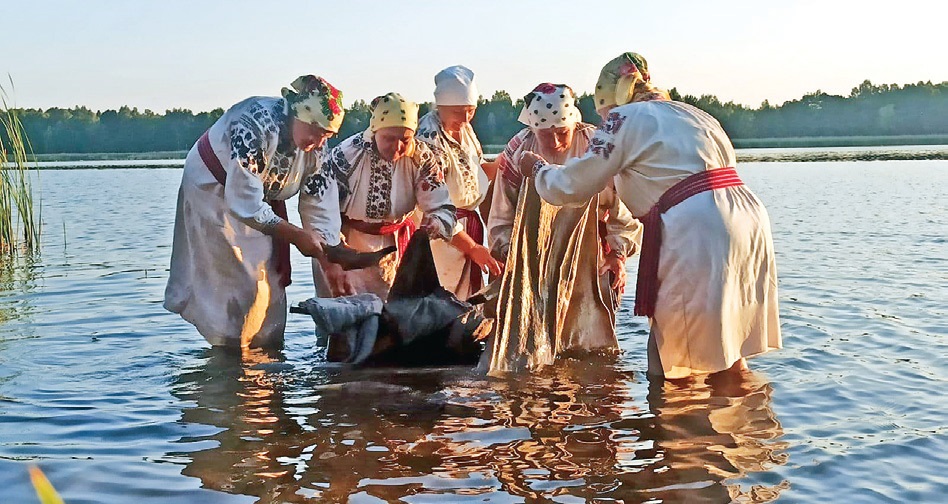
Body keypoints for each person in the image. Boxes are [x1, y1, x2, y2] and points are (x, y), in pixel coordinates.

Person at [517, 53, 781, 379]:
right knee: (729, 350)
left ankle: (678, 425)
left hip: (698, 229)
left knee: (679, 362)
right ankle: (746, 420)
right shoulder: (694, 114)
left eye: (602, 114)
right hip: (747, 221)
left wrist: (539, 170)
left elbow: (574, 185)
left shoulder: (623, 118)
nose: (601, 122)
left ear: (610, 100)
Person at [164, 75, 344, 349]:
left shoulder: (316, 149)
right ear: (297, 115)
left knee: (269, 280)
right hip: (215, 190)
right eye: (316, 132)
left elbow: (319, 202)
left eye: (327, 136)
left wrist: (328, 250)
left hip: (261, 201)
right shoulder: (255, 123)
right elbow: (245, 202)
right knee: (242, 282)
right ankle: (230, 352)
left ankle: (268, 351)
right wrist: (296, 235)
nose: (320, 142)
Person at [481, 83, 642, 375]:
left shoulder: (598, 145)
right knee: (534, 346)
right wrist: (508, 258)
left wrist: (618, 255)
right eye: (546, 134)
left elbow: (623, 208)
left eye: (562, 133)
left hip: (592, 256)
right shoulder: (518, 151)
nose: (555, 142)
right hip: (535, 257)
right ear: (532, 129)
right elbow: (501, 216)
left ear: (574, 123)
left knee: (590, 345)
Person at [300, 92, 458, 300]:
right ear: (375, 131)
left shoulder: (422, 158)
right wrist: (333, 256)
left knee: (389, 318)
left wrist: (435, 223)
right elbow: (319, 208)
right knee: (343, 315)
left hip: (392, 248)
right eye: (389, 138)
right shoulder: (347, 155)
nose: (397, 147)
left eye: (405, 139)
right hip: (344, 245)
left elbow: (443, 207)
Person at [415, 65, 502, 300]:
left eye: (470, 111)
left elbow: (479, 170)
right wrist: (471, 247)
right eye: (458, 112)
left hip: (469, 226)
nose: (465, 119)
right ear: (440, 106)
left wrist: (509, 159)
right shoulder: (428, 137)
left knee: (467, 302)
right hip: (443, 234)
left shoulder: (465, 130)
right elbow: (433, 202)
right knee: (442, 299)